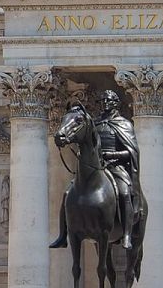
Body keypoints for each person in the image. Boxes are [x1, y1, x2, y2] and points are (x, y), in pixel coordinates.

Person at [50, 90, 142, 250]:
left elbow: (132, 152)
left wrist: (112, 154)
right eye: (102, 101)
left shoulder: (124, 124)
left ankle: (127, 234)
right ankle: (62, 236)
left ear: (116, 103)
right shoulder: (95, 123)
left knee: (124, 192)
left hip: (116, 166)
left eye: (108, 100)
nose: (105, 103)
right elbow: (84, 140)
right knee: (67, 193)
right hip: (96, 167)